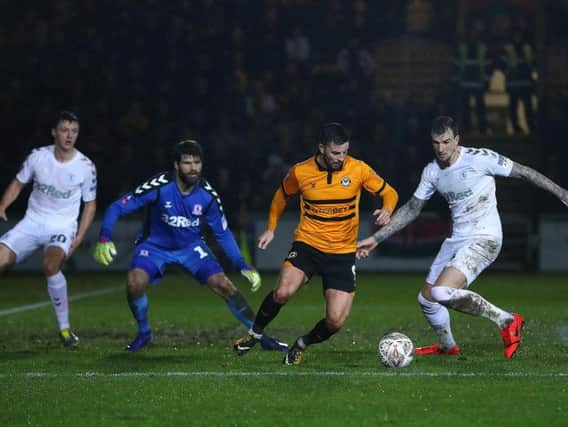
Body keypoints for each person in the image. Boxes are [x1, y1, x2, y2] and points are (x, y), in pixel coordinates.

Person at [357, 115, 568, 359]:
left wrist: (561, 192)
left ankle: (508, 320)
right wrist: (377, 238)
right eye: (435, 143)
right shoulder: (432, 172)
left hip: (485, 237)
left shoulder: (480, 159)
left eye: (446, 141)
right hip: (457, 239)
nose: (441, 148)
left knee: (441, 292)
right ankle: (448, 346)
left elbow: (524, 172)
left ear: (457, 139)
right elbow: (413, 209)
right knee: (427, 299)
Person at [92, 139, 287, 352]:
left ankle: (261, 336)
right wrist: (104, 236)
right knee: (134, 284)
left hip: (191, 248)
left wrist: (243, 264)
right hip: (154, 246)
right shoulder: (159, 186)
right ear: (176, 165)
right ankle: (144, 333)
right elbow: (117, 207)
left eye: (197, 162)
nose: (193, 168)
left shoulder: (208, 195)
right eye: (187, 163)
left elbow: (222, 233)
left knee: (224, 285)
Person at [234, 122, 399, 365]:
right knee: (282, 292)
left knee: (335, 321)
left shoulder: (358, 169)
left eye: (344, 152)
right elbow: (281, 196)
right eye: (335, 153)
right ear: (321, 148)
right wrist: (271, 228)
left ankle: (302, 343)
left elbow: (390, 193)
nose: (340, 158)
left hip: (342, 253)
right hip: (307, 244)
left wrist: (387, 209)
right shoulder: (301, 172)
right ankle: (254, 334)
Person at [0, 110, 97, 347]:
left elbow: (90, 205)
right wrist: (3, 204)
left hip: (62, 225)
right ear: (54, 132)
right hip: (32, 222)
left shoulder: (85, 166)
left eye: (74, 131)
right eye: (64, 130)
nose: (69, 136)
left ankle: (64, 329)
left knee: (50, 265)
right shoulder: (38, 157)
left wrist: (79, 237)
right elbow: (18, 183)